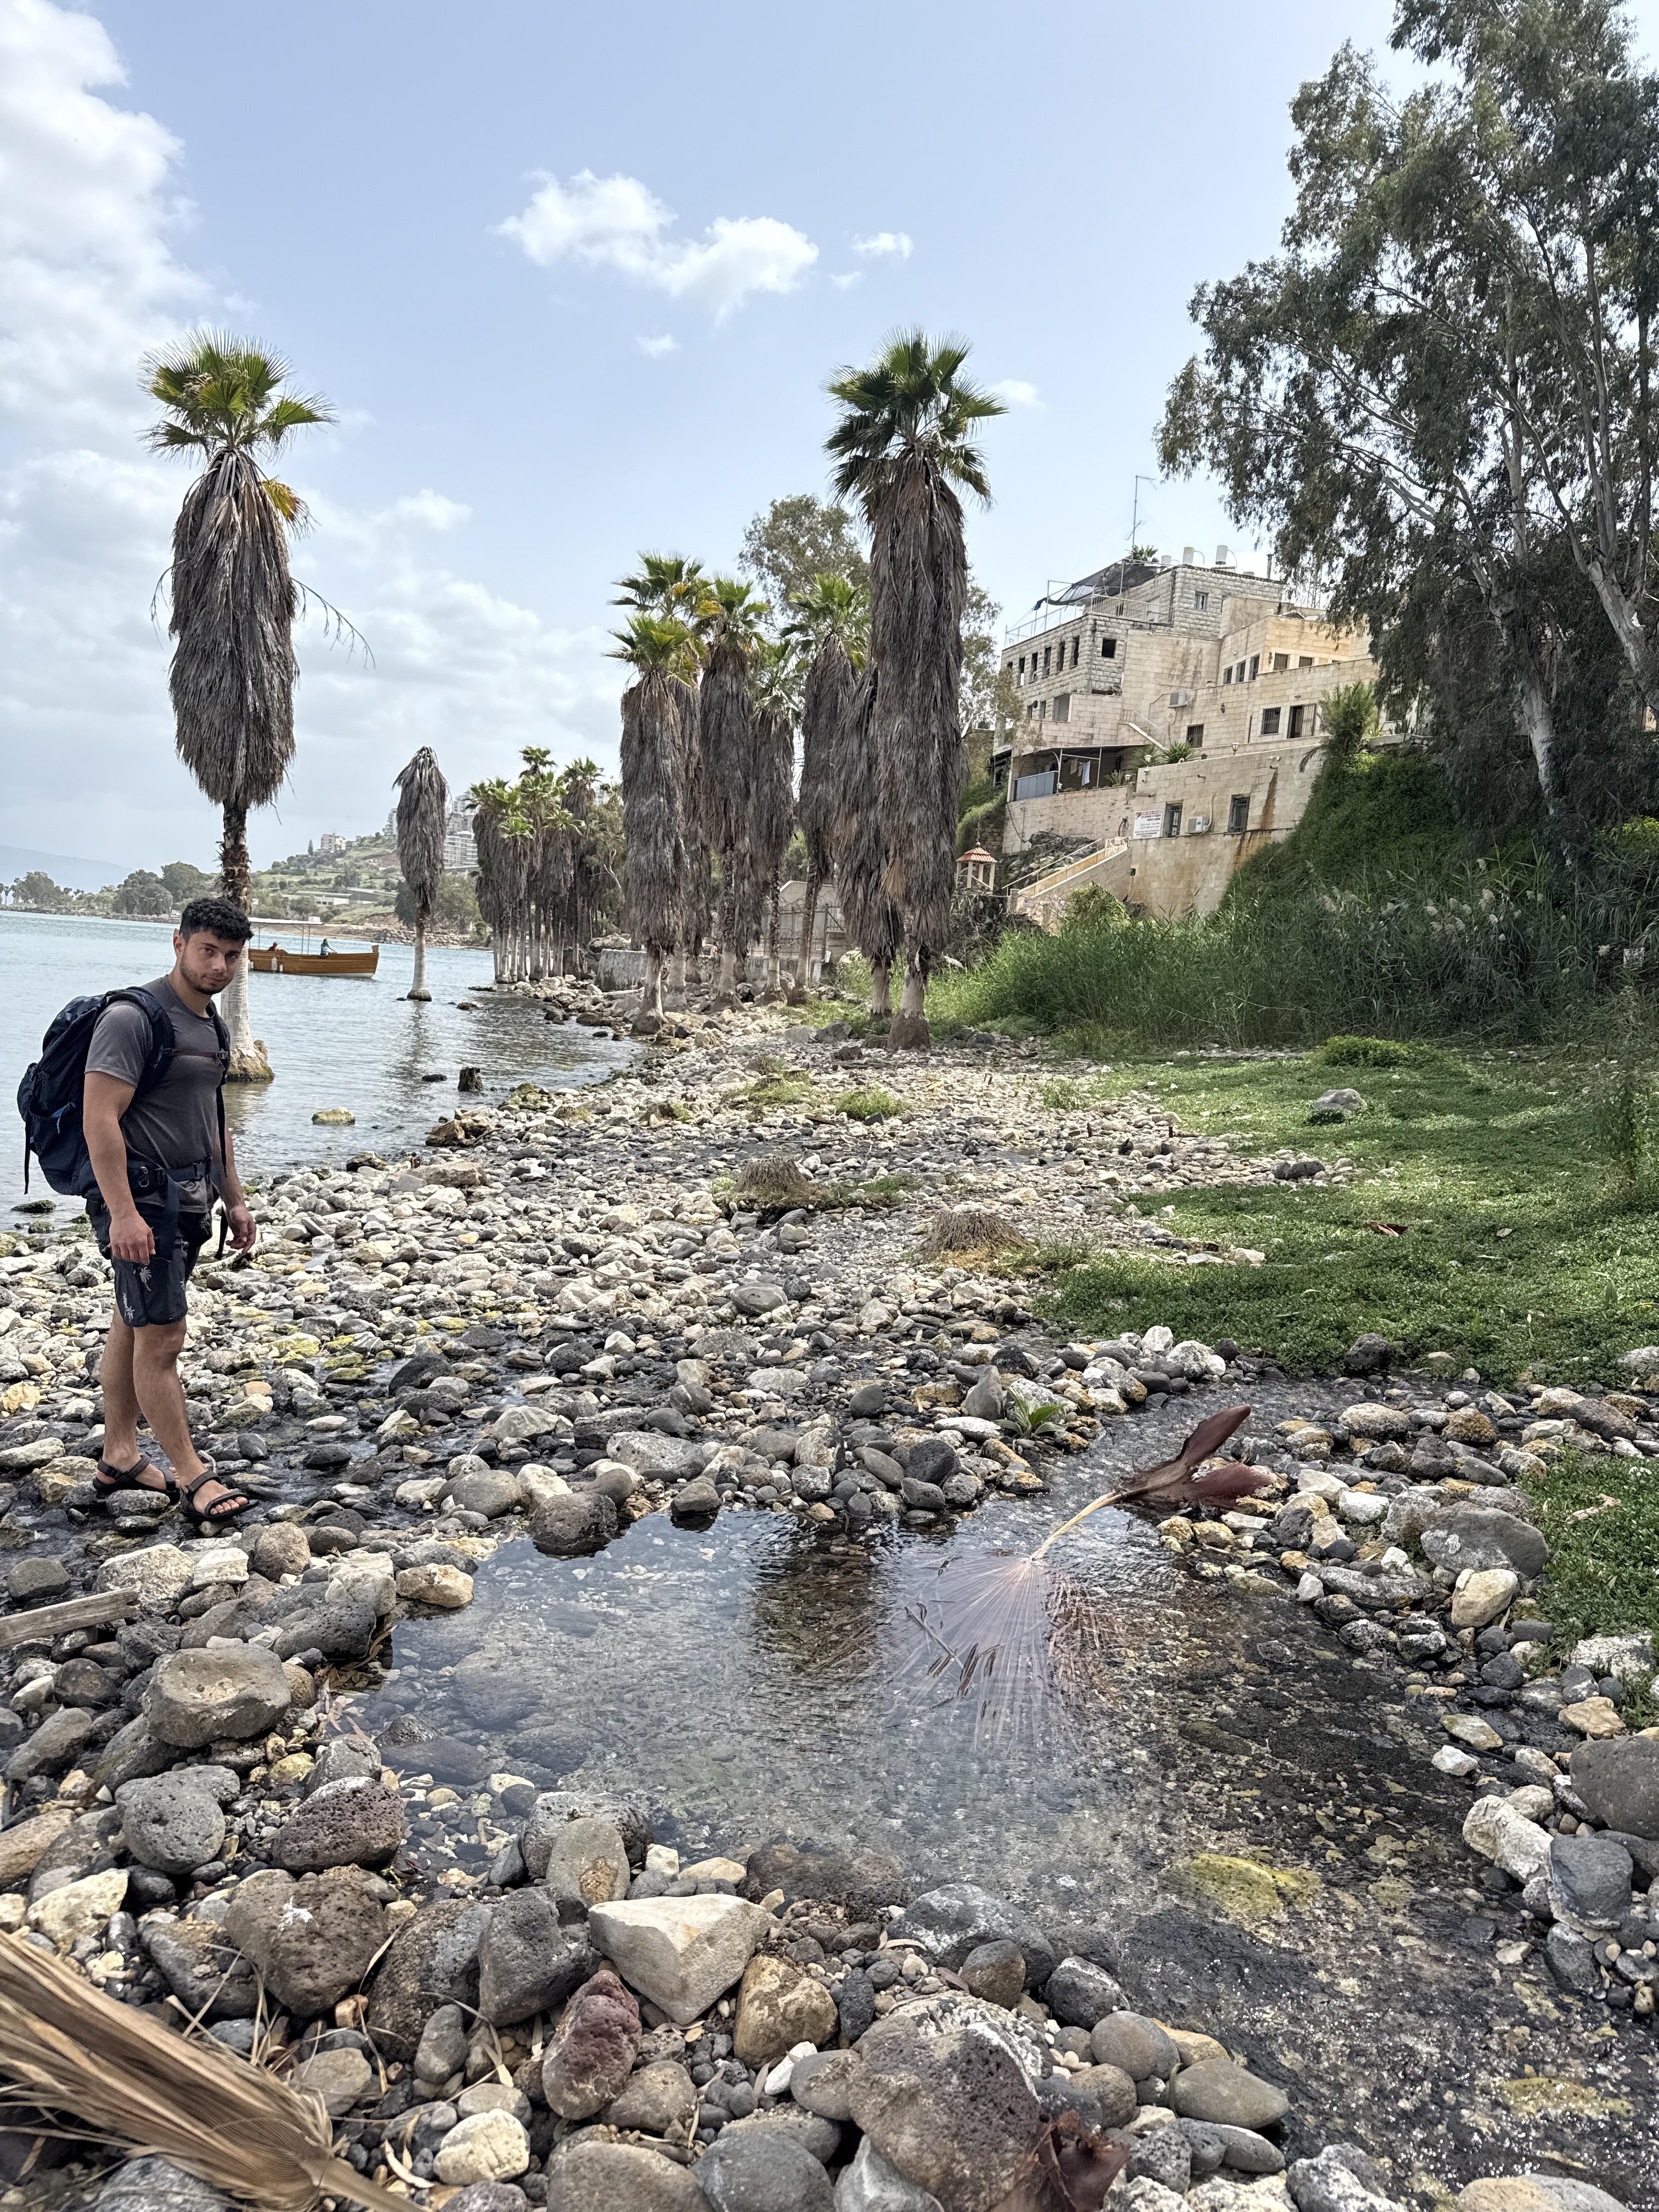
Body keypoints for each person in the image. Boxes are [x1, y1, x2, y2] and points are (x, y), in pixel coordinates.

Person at [82, 896, 258, 1525]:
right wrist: (123, 1214)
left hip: (189, 1199)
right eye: (207, 951)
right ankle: (191, 1474)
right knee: (163, 1338)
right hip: (143, 1204)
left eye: (231, 956)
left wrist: (235, 1197)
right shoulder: (132, 1019)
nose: (219, 966)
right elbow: (99, 1119)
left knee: (133, 1322)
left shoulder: (212, 1027)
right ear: (178, 943)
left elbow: (214, 1121)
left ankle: (120, 1456)